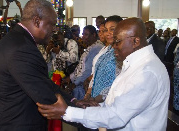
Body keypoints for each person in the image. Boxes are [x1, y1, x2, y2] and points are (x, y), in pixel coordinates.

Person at [37, 17, 170, 130]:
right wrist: (94, 106)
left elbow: (117, 116)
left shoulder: (147, 72)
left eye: (118, 41)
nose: (114, 46)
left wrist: (67, 112)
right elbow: (120, 103)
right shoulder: (135, 64)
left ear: (135, 41)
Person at [0, 0, 75, 130]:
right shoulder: (21, 47)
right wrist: (87, 115)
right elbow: (44, 95)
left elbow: (44, 82)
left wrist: (75, 101)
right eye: (52, 24)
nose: (54, 29)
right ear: (36, 21)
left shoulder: (17, 40)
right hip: (12, 124)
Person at [84, 15, 123, 103]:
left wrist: (95, 99)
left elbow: (117, 83)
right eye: (106, 30)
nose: (108, 33)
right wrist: (88, 95)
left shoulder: (122, 53)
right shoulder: (107, 50)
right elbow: (96, 74)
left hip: (109, 101)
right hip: (95, 100)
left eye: (112, 29)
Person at [62, 25, 104, 100]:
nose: (83, 37)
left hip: (83, 85)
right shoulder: (91, 46)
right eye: (83, 34)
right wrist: (70, 77)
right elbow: (81, 66)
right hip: (79, 82)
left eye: (86, 34)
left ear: (93, 35)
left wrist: (74, 84)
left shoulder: (97, 48)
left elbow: (87, 70)